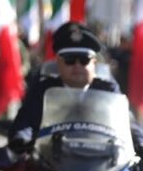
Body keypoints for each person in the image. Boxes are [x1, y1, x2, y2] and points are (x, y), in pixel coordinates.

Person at [7, 22, 120, 150]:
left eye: (84, 60)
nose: (77, 66)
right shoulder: (44, 90)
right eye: (70, 60)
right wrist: (22, 139)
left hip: (101, 162)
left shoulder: (108, 90)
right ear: (58, 63)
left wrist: (141, 142)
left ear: (94, 63)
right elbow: (25, 123)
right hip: (51, 160)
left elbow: (126, 123)